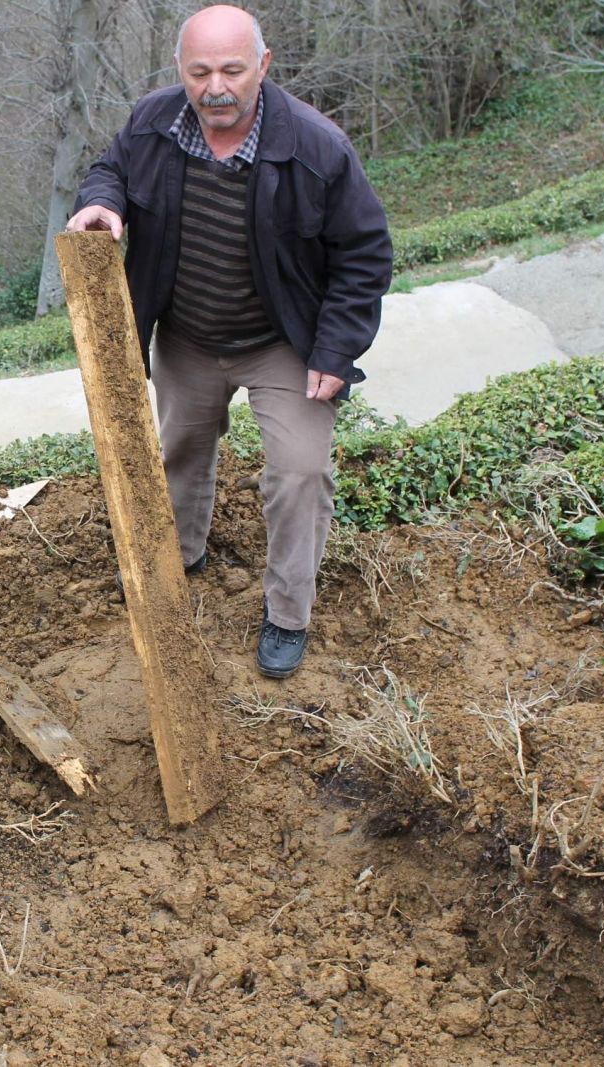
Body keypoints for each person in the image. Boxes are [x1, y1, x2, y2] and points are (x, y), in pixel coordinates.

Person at [67, 4, 392, 678]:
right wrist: (102, 201)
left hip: (284, 342)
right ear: (180, 70)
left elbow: (364, 254)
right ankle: (180, 558)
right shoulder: (154, 121)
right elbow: (111, 168)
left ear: (263, 66)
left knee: (300, 470)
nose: (216, 87)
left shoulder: (316, 147)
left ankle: (287, 614)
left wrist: (336, 350)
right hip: (187, 334)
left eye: (232, 70)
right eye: (200, 72)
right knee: (179, 453)